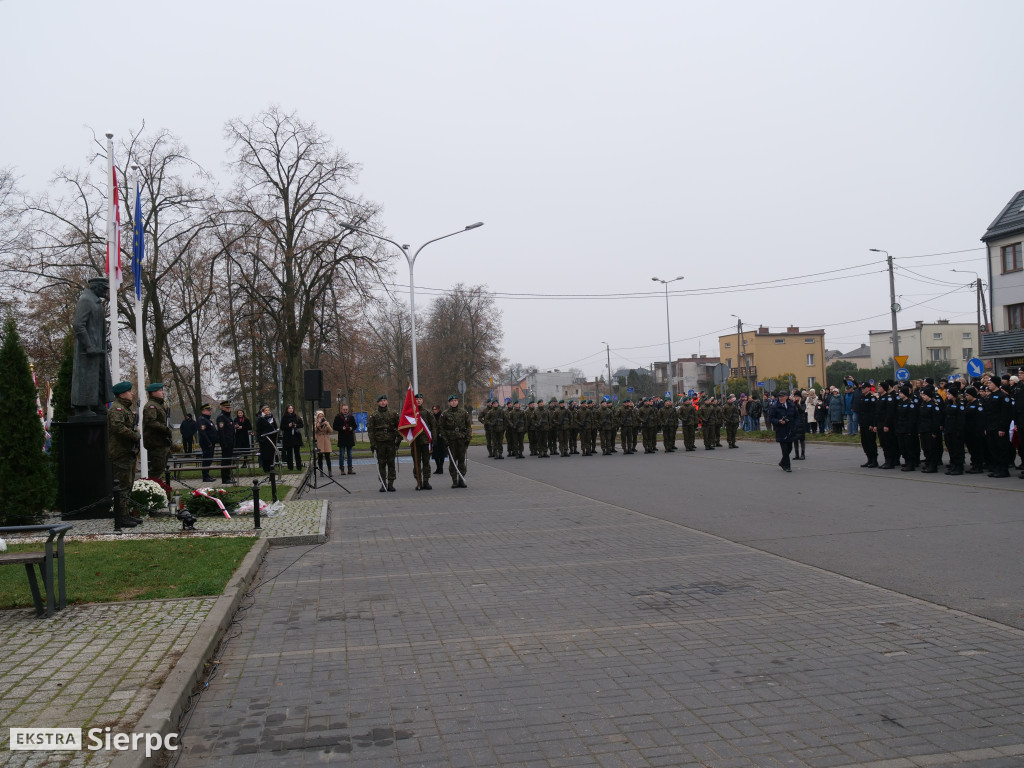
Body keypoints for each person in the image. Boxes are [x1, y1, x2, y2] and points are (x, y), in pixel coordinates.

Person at [71, 277, 113, 417]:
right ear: (96, 287)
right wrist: (88, 346)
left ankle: (98, 404)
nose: (106, 291)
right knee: (87, 378)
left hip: (98, 348)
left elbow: (95, 328)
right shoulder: (86, 300)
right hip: (88, 350)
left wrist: (103, 343)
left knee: (99, 376)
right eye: (104, 288)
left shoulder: (96, 303)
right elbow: (78, 324)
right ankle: (82, 408)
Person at [108, 381, 141, 526]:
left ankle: (125, 514)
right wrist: (135, 435)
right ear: (122, 394)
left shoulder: (124, 409)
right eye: (129, 391)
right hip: (120, 452)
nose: (132, 393)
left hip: (127, 451)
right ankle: (121, 517)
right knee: (122, 485)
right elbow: (118, 427)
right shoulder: (117, 409)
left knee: (127, 484)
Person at [367, 395, 399, 492]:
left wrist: (398, 440)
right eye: (381, 401)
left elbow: (400, 427)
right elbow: (371, 431)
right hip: (379, 442)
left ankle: (391, 483)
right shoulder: (374, 415)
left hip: (391, 441)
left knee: (391, 463)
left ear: (387, 402)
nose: (383, 402)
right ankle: (383, 483)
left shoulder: (393, 414)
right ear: (378, 403)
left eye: (385, 400)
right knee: (381, 463)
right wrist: (373, 443)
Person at [438, 394, 470, 487]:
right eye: (452, 401)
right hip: (451, 440)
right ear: (449, 402)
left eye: (455, 400)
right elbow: (441, 428)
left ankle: (461, 479)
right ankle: (454, 480)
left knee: (461, 460)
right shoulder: (445, 413)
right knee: (452, 461)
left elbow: (468, 426)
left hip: (461, 439)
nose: (454, 402)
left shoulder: (464, 412)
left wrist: (467, 438)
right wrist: (445, 440)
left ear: (458, 401)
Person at [141, 382, 172, 478]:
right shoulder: (151, 406)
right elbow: (151, 422)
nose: (162, 392)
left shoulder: (158, 405)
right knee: (156, 471)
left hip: (161, 442)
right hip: (155, 443)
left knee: (159, 469)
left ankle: (156, 487)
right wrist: (165, 429)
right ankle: (151, 489)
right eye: (160, 390)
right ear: (153, 393)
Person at [411, 393, 435, 489]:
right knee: (416, 463)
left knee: (426, 463)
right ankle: (418, 482)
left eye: (420, 399)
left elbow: (433, 426)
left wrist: (434, 439)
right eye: (417, 399)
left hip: (426, 442)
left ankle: (426, 481)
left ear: (423, 400)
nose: (419, 401)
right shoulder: (411, 413)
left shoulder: (427, 412)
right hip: (415, 442)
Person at [769, 390, 798, 472]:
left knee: (789, 448)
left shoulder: (791, 405)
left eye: (782, 396)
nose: (781, 398)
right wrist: (778, 421)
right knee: (784, 449)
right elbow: (771, 418)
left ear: (786, 397)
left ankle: (782, 462)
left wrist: (795, 425)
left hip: (790, 430)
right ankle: (787, 466)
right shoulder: (775, 407)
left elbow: (796, 416)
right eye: (779, 397)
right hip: (781, 430)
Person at [332, 404, 357, 475]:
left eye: (346, 409)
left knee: (350, 454)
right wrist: (341, 428)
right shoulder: (338, 417)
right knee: (342, 454)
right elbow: (334, 426)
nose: (345, 411)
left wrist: (351, 428)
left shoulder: (351, 417)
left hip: (349, 438)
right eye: (344, 409)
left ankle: (350, 469)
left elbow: (355, 425)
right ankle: (342, 469)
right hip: (342, 438)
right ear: (341, 410)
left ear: (348, 409)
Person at [215, 400, 235, 484]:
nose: (228, 409)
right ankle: (225, 478)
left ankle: (228, 476)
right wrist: (224, 443)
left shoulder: (228, 417)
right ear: (222, 408)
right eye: (226, 408)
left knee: (228, 460)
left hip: (230, 442)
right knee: (225, 460)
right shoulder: (221, 417)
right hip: (226, 443)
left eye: (229, 408)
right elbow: (221, 432)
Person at [197, 403, 217, 482]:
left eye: (210, 410)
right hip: (206, 443)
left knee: (209, 459)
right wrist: (208, 442)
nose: (210, 412)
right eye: (208, 410)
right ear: (204, 411)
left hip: (211, 443)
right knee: (206, 460)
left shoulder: (207, 420)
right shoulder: (202, 420)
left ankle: (207, 475)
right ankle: (205, 476)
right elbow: (203, 433)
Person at [255, 405, 278, 473]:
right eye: (266, 410)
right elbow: (258, 430)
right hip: (264, 439)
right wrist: (260, 438)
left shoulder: (272, 418)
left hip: (272, 439)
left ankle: (271, 467)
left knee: (271, 454)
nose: (268, 411)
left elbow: (275, 427)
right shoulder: (260, 418)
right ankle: (266, 468)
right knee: (265, 454)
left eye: (268, 410)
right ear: (263, 411)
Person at [282, 404, 304, 470]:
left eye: (292, 408)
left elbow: (301, 425)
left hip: (296, 436)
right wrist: (288, 425)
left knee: (297, 453)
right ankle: (290, 467)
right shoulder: (284, 417)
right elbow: (282, 427)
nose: (291, 409)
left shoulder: (297, 416)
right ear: (287, 410)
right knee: (289, 453)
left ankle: (299, 467)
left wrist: (296, 425)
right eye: (289, 408)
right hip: (288, 437)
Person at [313, 409, 333, 476]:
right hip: (319, 441)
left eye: (322, 416)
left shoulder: (326, 422)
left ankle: (330, 471)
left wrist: (327, 425)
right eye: (320, 416)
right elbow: (314, 431)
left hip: (326, 440)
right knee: (320, 457)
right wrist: (318, 424)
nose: (321, 418)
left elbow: (330, 431)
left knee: (328, 457)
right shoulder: (315, 424)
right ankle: (321, 471)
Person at [430, 403, 447, 474]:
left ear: (439, 409)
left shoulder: (442, 416)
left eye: (435, 409)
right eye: (433, 409)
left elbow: (444, 425)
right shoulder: (432, 416)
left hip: (441, 437)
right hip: (434, 437)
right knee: (435, 454)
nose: (434, 411)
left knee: (441, 454)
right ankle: (438, 468)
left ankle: (441, 468)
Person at [790, 390, 806, 460]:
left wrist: (796, 403)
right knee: (795, 439)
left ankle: (803, 454)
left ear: (800, 397)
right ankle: (797, 454)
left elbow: (802, 410)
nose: (796, 397)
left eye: (797, 396)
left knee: (802, 439)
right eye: (795, 396)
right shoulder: (793, 403)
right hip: (794, 423)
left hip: (801, 423)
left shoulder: (802, 402)